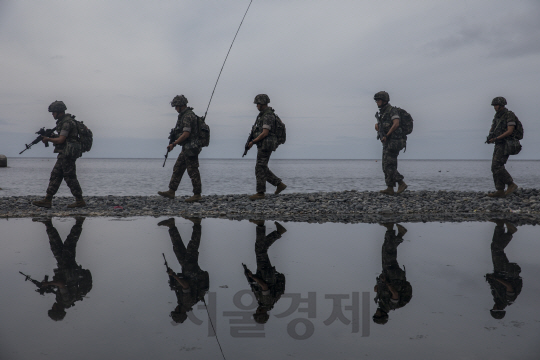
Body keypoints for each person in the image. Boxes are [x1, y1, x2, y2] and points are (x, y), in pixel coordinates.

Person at [30, 217, 93, 321]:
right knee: (69, 244)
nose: (52, 306)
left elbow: (61, 286)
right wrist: (48, 284)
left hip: (66, 270)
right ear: (57, 310)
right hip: (69, 269)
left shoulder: (62, 300)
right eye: (53, 309)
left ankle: (48, 224)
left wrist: (48, 287)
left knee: (56, 247)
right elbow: (61, 284)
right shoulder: (66, 300)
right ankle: (79, 221)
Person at [32, 101, 85, 208]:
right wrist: (52, 135)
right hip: (64, 153)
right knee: (55, 175)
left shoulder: (66, 123)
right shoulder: (64, 122)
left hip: (67, 154)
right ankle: (47, 200)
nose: (52, 114)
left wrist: (48, 139)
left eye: (53, 112)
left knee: (70, 177)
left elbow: (61, 140)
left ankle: (80, 201)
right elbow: (64, 138)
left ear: (59, 112)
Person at [158, 217, 209, 323]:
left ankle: (171, 226)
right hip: (193, 273)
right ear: (181, 312)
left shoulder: (182, 302)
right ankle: (197, 222)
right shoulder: (187, 302)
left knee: (178, 249)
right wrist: (174, 276)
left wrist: (173, 279)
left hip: (188, 272)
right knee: (192, 247)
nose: (175, 309)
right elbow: (185, 285)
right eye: (176, 311)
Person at [158, 95, 203, 203]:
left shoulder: (187, 116)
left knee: (193, 171)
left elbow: (186, 134)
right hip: (187, 148)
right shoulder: (185, 115)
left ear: (181, 105)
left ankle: (197, 194)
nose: (175, 108)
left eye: (176, 106)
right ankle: (171, 191)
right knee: (178, 168)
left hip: (191, 148)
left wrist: (174, 143)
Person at [243, 220, 287, 324]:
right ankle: (263, 226)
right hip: (266, 275)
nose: (256, 310)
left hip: (265, 275)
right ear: (261, 313)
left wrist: (249, 276)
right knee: (260, 251)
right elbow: (264, 286)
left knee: (261, 249)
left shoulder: (265, 303)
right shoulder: (266, 302)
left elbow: (257, 287)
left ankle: (266, 227)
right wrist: (253, 277)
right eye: (257, 312)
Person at [246, 94, 287, 200]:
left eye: (257, 104)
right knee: (262, 167)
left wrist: (253, 141)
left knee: (260, 167)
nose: (256, 106)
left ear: (262, 104)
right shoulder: (264, 115)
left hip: (266, 144)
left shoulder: (267, 115)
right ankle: (279, 184)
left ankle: (260, 193)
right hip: (265, 144)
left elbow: (265, 133)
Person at [373, 223, 412, 325]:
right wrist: (386, 283)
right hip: (394, 276)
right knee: (388, 252)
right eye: (377, 315)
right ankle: (390, 228)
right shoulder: (390, 305)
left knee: (387, 250)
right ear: (383, 315)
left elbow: (380, 289)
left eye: (375, 315)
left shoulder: (381, 303)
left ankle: (400, 234)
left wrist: (378, 288)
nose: (376, 313)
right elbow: (395, 294)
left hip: (390, 275)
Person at [485, 220, 522, 319]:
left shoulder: (498, 299)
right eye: (495, 309)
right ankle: (510, 232)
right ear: (499, 309)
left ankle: (499, 225)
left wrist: (491, 278)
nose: (494, 307)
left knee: (495, 248)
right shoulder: (508, 300)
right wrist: (496, 279)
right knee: (497, 250)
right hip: (506, 273)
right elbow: (509, 286)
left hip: (501, 272)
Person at [374, 91, 407, 195]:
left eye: (378, 100)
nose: (376, 102)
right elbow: (385, 126)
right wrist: (378, 127)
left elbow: (396, 124)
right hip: (387, 142)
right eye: (376, 100)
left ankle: (401, 183)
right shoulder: (383, 113)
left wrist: (387, 135)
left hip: (394, 142)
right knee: (385, 165)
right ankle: (390, 187)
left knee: (390, 165)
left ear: (384, 100)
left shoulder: (392, 110)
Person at [486, 97, 519, 197]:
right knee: (494, 166)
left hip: (506, 144)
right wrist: (490, 137)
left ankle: (511, 184)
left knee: (497, 165)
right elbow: (492, 128)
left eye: (496, 105)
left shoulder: (509, 115)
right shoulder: (497, 116)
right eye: (494, 105)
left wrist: (496, 138)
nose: (495, 107)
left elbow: (510, 131)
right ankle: (500, 190)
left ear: (502, 105)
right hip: (498, 143)